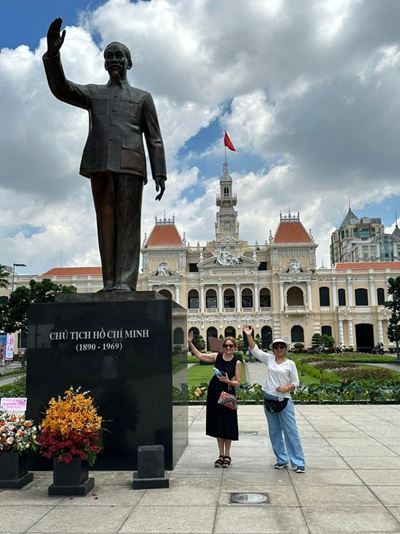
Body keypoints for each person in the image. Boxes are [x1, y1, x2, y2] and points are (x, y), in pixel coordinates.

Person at [43, 18, 167, 292]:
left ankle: (125, 282)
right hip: (99, 164)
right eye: (109, 56)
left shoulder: (142, 96)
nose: (114, 60)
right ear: (104, 63)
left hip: (131, 164)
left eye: (119, 55)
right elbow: (61, 88)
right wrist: (53, 55)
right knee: (106, 223)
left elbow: (154, 137)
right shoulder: (94, 94)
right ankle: (110, 282)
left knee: (128, 224)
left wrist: (160, 172)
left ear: (129, 62)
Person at [242, 325, 305, 473]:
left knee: (291, 431)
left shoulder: (290, 364)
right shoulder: (269, 359)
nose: (279, 349)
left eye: (281, 347)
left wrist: (286, 388)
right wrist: (248, 335)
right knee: (274, 432)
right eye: (276, 347)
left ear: (285, 349)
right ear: (273, 349)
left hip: (284, 400)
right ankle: (281, 460)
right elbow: (255, 350)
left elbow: (295, 382)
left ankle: (298, 462)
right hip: (269, 398)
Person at [187, 331, 241, 468]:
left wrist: (227, 380)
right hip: (215, 393)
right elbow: (199, 355)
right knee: (218, 423)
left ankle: (227, 455)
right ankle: (221, 455)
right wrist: (189, 343)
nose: (228, 348)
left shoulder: (237, 362)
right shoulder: (217, 356)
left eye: (231, 346)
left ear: (235, 347)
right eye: (226, 346)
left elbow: (238, 382)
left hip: (228, 394)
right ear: (223, 347)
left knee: (228, 424)